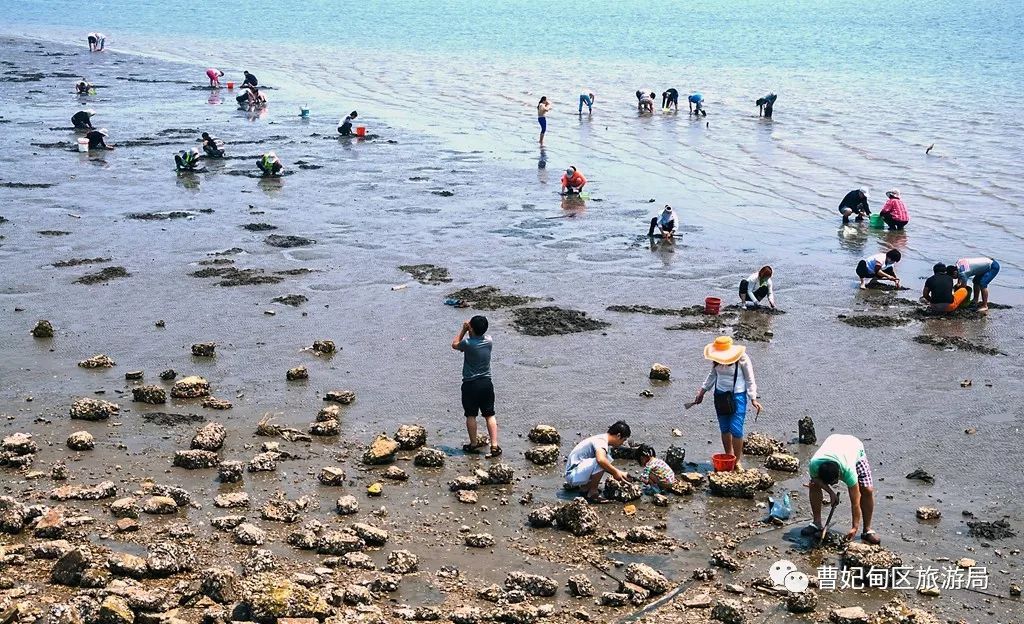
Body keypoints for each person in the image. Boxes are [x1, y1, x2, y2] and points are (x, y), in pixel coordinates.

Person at [691, 336, 763, 471]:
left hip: (737, 397)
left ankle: (737, 461)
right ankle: (728, 457)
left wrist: (753, 398)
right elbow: (712, 375)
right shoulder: (717, 360)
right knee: (724, 428)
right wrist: (702, 392)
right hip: (720, 396)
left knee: (736, 429)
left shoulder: (742, 358)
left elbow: (750, 379)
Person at [802, 434, 881, 545]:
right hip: (833, 441)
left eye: (835, 481)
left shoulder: (848, 471)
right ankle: (817, 523)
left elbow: (855, 502)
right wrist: (831, 493)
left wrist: (855, 527)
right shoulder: (814, 464)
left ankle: (867, 530)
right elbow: (815, 480)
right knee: (814, 485)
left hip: (854, 447)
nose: (835, 484)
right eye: (830, 483)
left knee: (867, 489)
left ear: (840, 474)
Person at [451, 315, 501, 458]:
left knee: (471, 415)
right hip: (486, 383)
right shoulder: (489, 341)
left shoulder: (467, 343)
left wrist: (463, 330)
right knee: (489, 414)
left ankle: (473, 444)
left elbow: (455, 344)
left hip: (470, 384)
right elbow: (479, 336)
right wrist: (471, 329)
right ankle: (494, 445)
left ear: (470, 328)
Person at [563, 421, 632, 503]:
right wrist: (615, 472)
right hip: (572, 475)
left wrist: (619, 472)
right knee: (601, 460)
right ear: (618, 435)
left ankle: (585, 488)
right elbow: (600, 460)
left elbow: (604, 465)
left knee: (607, 458)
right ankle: (592, 493)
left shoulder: (602, 440)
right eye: (623, 440)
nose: (622, 443)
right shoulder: (601, 441)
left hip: (576, 472)